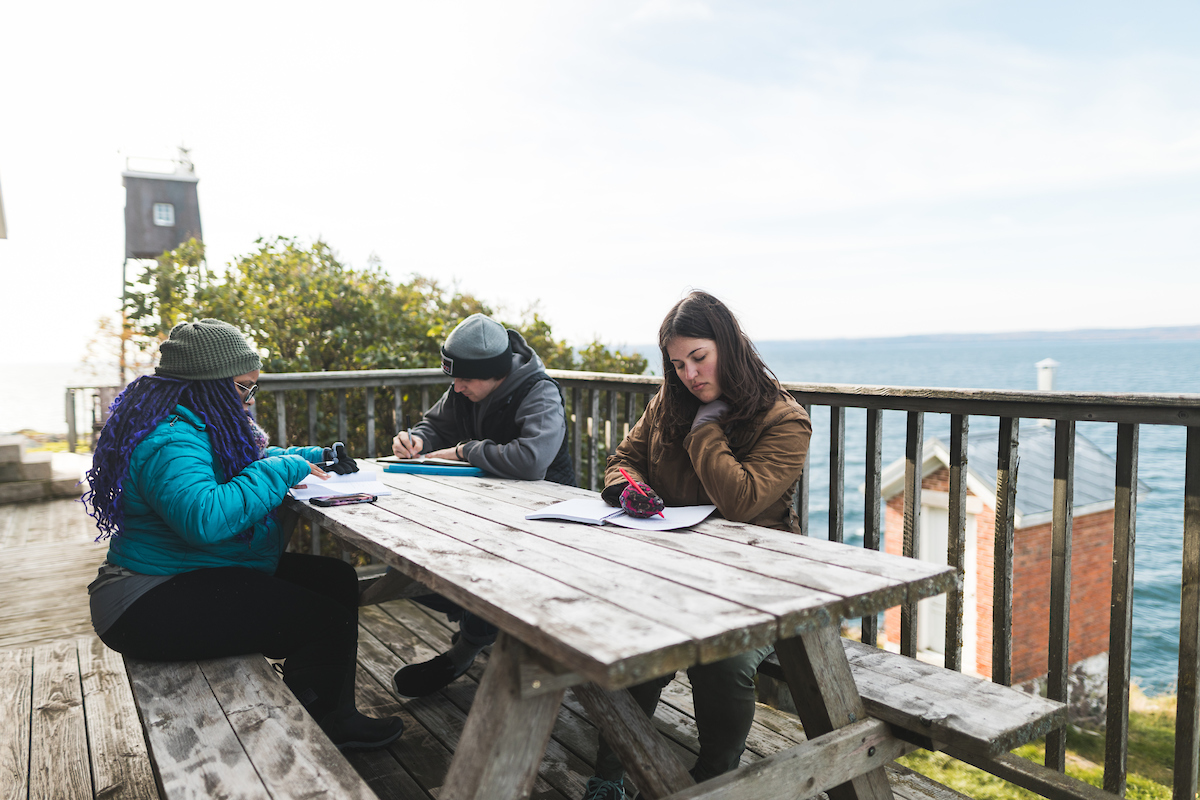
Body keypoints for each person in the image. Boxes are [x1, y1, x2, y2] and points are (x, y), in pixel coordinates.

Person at [84, 318, 403, 751]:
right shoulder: (171, 439)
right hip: (144, 603)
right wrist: (278, 469)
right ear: (208, 384)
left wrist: (312, 457)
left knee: (336, 579)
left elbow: (246, 462)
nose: (249, 401)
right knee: (326, 620)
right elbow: (205, 517)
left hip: (190, 573)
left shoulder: (196, 423)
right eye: (243, 388)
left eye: (254, 388)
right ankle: (320, 725)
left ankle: (330, 712)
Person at [582, 291, 812, 800]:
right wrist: (626, 487)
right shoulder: (668, 403)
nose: (688, 374)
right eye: (678, 364)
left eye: (698, 358)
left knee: (723, 662)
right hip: (675, 569)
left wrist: (706, 430)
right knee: (631, 637)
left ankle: (711, 781)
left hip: (758, 579)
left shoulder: (784, 419)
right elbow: (625, 456)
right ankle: (608, 775)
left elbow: (741, 500)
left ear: (727, 345)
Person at [389, 312, 574, 696]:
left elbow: (530, 461)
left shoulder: (540, 392)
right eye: (452, 378)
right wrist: (417, 441)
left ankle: (471, 647)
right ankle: (474, 637)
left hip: (546, 523)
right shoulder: (465, 387)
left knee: (489, 577)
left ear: (496, 374)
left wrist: (464, 451)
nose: (456, 388)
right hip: (487, 513)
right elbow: (433, 425)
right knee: (420, 560)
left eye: (465, 380)